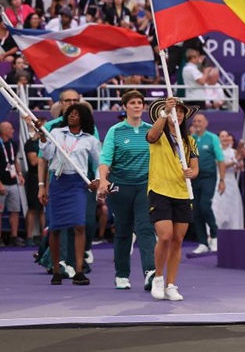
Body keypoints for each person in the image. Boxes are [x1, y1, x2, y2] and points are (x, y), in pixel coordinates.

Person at [35, 103, 101, 286]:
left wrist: (96, 179)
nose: (72, 116)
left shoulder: (90, 139)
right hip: (58, 182)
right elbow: (47, 154)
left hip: (78, 184)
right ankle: (56, 270)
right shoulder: (56, 133)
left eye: (77, 114)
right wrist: (42, 137)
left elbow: (99, 162)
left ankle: (78, 270)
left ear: (84, 118)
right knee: (55, 228)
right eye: (70, 114)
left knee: (79, 225)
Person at [96, 91, 156, 291]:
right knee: (123, 230)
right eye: (133, 103)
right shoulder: (116, 131)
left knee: (146, 228)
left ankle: (150, 272)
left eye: (140, 102)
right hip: (120, 186)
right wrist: (103, 179)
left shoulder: (152, 130)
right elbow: (106, 158)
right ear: (125, 107)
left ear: (144, 107)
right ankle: (121, 274)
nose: (137, 105)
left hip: (146, 185)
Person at [146, 97, 199, 301]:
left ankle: (171, 284)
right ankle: (158, 278)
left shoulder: (189, 140)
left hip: (183, 193)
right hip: (160, 191)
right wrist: (164, 113)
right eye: (174, 111)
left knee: (177, 240)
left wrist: (191, 173)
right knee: (165, 236)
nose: (177, 114)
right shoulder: (159, 134)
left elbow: (195, 169)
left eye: (180, 111)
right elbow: (151, 135)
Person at [189, 113, 225, 254]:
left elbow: (220, 160)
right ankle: (203, 242)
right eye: (195, 121)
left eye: (200, 121)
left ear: (206, 123)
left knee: (205, 205)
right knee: (196, 210)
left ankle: (215, 236)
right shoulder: (190, 139)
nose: (197, 123)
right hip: (193, 178)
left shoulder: (212, 138)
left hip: (208, 177)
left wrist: (222, 180)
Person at [211, 130, 244, 230]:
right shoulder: (216, 151)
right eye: (222, 136)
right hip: (220, 181)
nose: (225, 138)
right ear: (218, 139)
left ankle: (234, 232)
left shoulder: (234, 152)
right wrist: (235, 160)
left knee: (232, 208)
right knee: (218, 207)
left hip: (232, 183)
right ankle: (215, 234)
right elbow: (222, 166)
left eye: (227, 136)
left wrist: (239, 163)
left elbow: (240, 167)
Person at [0, 121, 24, 247]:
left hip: (12, 181)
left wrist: (19, 174)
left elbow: (14, 161)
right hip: (1, 183)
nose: (13, 131)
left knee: (15, 210)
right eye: (10, 129)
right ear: (3, 131)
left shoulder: (13, 144)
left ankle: (14, 236)